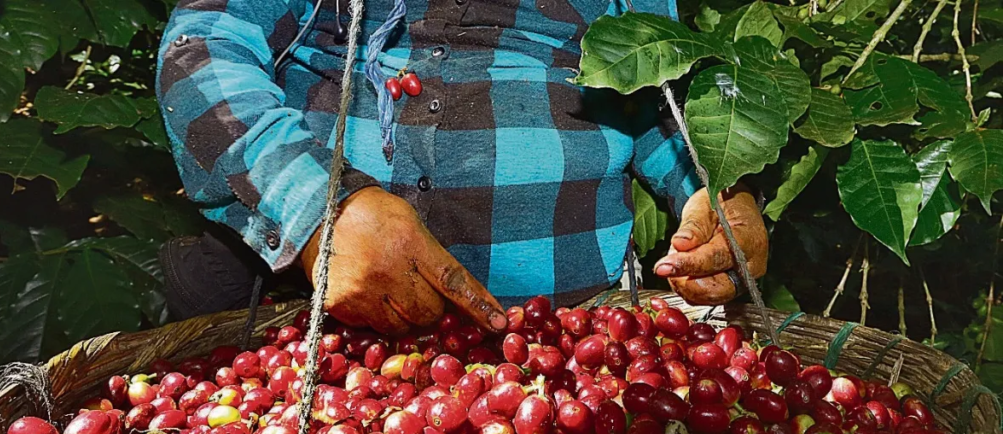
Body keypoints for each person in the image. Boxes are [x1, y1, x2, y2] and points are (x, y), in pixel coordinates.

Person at [155, 0, 768, 334]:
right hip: (307, 325)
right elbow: (203, 49)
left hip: (568, 338)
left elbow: (659, 107)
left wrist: (715, 194)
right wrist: (316, 209)